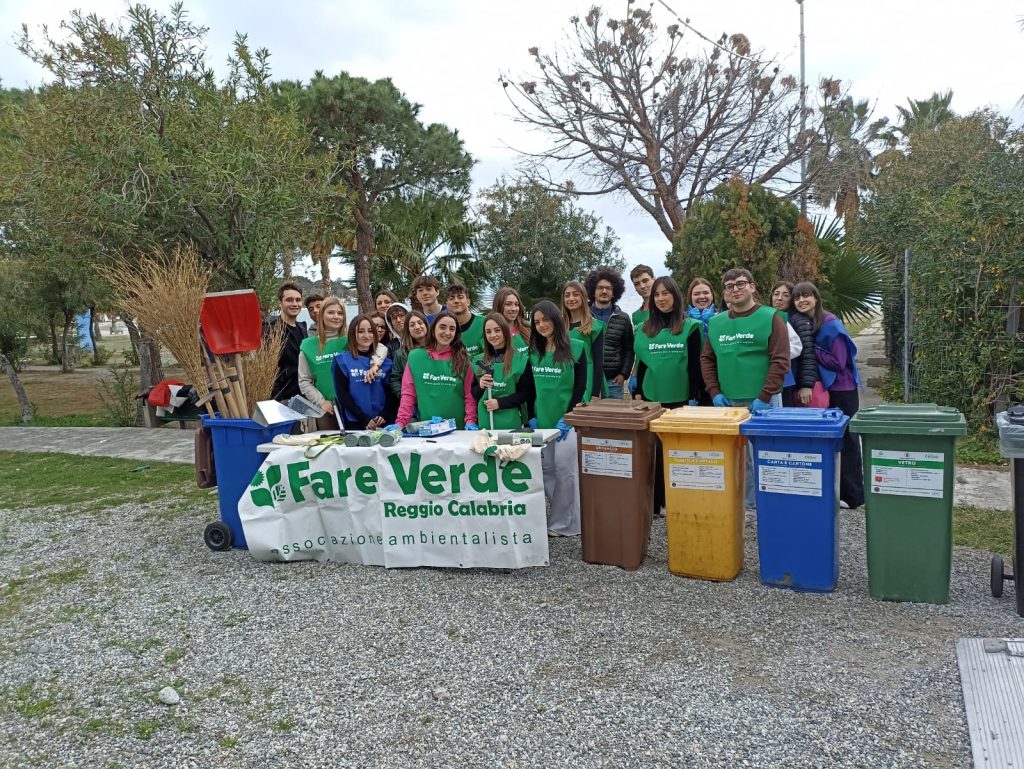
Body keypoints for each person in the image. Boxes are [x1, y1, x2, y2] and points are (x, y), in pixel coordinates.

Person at [701, 268, 791, 510]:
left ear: (752, 287)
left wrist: (765, 395)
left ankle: (770, 505)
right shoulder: (716, 323)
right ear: (725, 293)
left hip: (764, 402)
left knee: (767, 456)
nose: (735, 289)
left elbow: (780, 360)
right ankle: (745, 506)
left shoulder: (771, 317)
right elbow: (707, 358)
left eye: (741, 283)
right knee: (738, 460)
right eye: (729, 286)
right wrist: (714, 392)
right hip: (728, 403)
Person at [634, 276, 706, 515]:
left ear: (675, 296)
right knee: (653, 452)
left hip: (680, 399)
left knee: (676, 452)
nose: (661, 298)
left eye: (665, 293)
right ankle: (655, 502)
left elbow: (695, 366)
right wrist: (637, 391)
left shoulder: (691, 327)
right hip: (652, 398)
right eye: (656, 295)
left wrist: (696, 396)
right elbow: (643, 364)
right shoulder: (644, 330)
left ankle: (675, 499)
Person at [792, 281, 865, 509]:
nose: (802, 301)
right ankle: (837, 491)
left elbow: (839, 361)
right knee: (834, 439)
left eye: (806, 296)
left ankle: (853, 495)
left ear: (816, 298)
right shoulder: (809, 323)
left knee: (848, 439)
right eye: (797, 298)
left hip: (843, 389)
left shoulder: (831, 324)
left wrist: (812, 349)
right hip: (829, 388)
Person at [526, 301, 587, 537]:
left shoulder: (577, 347)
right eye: (536, 322)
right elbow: (530, 389)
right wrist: (531, 417)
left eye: (545, 319)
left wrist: (568, 417)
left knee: (565, 470)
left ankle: (567, 523)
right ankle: (563, 516)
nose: (541, 325)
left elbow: (580, 387)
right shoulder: (534, 351)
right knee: (547, 469)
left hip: (566, 423)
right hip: (542, 421)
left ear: (556, 319)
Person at [395, 312, 478, 430]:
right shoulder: (415, 357)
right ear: (433, 329)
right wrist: (400, 422)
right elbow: (408, 394)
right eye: (442, 327)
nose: (447, 332)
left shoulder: (464, 359)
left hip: (458, 430)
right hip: (428, 429)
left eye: (452, 329)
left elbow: (469, 395)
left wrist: (470, 421)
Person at [332, 314, 395, 430]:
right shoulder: (342, 361)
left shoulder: (386, 363)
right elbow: (342, 395)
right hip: (355, 421)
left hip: (382, 421)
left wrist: (384, 414)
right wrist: (362, 417)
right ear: (352, 334)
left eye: (370, 331)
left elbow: (391, 393)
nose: (366, 336)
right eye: (361, 331)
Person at [470, 313, 532, 429]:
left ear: (505, 331)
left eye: (497, 330)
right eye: (488, 332)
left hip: (510, 421)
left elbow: (526, 393)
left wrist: (500, 403)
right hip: (485, 421)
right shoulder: (478, 361)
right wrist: (481, 386)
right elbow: (474, 393)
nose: (493, 335)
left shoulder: (520, 360)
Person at [297, 296, 346, 430]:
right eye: (331, 312)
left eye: (340, 313)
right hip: (327, 409)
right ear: (321, 315)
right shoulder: (308, 346)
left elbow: (379, 348)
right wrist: (321, 402)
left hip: (353, 408)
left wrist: (375, 364)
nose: (336, 317)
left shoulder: (351, 341)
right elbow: (304, 381)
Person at [585, 267, 634, 400]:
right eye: (600, 288)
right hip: (587, 380)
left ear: (614, 292)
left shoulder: (623, 318)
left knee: (613, 413)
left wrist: (624, 374)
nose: (604, 291)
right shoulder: (583, 316)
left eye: (608, 288)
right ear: (593, 291)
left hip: (613, 382)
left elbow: (629, 349)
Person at [770, 280, 816, 407]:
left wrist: (806, 385)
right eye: (776, 294)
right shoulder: (769, 316)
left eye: (786, 295)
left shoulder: (798, 320)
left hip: (791, 380)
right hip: (775, 377)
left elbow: (808, 353)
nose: (779, 298)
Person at [562, 280, 606, 402]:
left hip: (586, 380)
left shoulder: (594, 326)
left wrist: (595, 393)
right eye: (567, 295)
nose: (571, 299)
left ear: (583, 297)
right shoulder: (559, 326)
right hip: (564, 379)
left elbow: (598, 362)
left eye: (575, 294)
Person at [268, 282, 308, 402]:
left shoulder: (302, 328)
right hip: (282, 398)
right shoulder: (270, 329)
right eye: (289, 300)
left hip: (304, 395)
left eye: (298, 300)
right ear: (280, 303)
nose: (295, 304)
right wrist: (278, 399)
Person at [389, 309, 429, 403]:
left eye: (420, 323)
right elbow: (395, 379)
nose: (417, 327)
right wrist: (405, 397)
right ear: (408, 330)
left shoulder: (439, 348)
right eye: (412, 325)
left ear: (426, 325)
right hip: (413, 405)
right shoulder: (401, 354)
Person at [445, 283, 485, 359]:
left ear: (468, 302)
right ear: (447, 304)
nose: (456, 301)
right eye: (451, 298)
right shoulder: (443, 330)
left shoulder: (485, 323)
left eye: (460, 297)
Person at [492, 286, 531, 353]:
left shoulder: (527, 328)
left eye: (516, 304)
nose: (514, 309)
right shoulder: (492, 333)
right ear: (499, 305)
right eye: (508, 304)